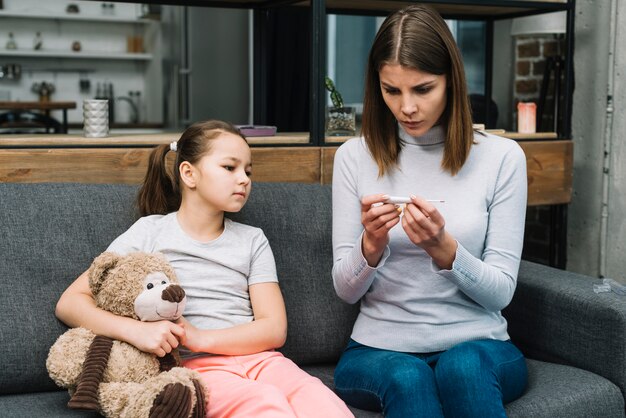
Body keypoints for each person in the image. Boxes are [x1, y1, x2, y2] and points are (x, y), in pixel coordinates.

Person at [56, 120, 354, 418]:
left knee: (322, 403)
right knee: (265, 405)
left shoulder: (253, 240)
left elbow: (274, 328)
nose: (244, 179)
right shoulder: (149, 232)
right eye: (230, 167)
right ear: (189, 173)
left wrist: (200, 337)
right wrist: (136, 332)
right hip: (197, 368)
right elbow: (70, 302)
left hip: (264, 361)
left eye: (248, 171)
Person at [331, 5, 528, 418]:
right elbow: (345, 291)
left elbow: (501, 293)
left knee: (463, 367)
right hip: (378, 348)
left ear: (451, 81)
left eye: (422, 89)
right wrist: (371, 245)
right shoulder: (354, 157)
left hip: (480, 344)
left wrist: (447, 252)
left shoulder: (502, 158)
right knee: (407, 376)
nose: (407, 108)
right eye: (391, 90)